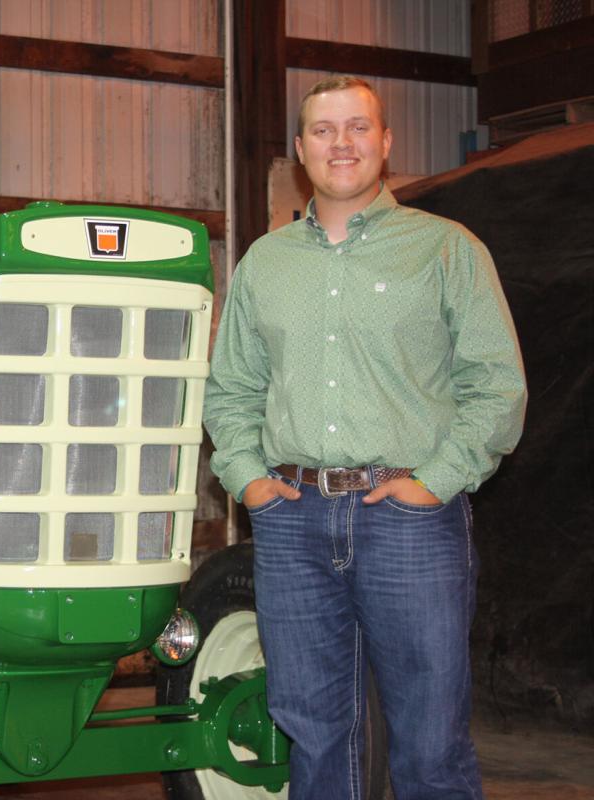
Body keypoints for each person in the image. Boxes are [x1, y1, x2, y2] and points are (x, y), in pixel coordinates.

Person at [203, 75, 526, 799]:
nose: (340, 143)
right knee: (312, 734)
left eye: (357, 127)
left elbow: (496, 387)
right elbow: (230, 392)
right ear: (298, 151)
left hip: (408, 522)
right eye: (323, 130)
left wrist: (433, 483)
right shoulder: (266, 263)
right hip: (292, 519)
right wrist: (251, 480)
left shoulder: (446, 250)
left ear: (385, 143)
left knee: (429, 743)